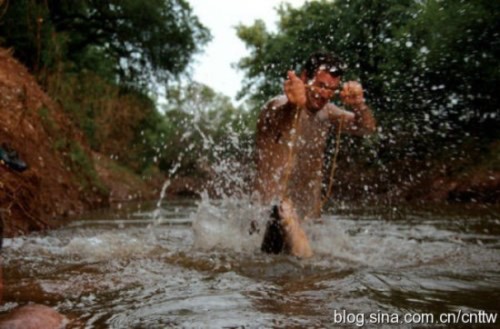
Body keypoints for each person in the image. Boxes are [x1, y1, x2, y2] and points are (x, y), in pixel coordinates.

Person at [254, 51, 376, 258]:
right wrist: (293, 104)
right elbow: (279, 115)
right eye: (320, 85)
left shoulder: (328, 113)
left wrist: (359, 104)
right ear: (304, 78)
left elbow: (366, 128)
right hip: (270, 216)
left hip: (308, 220)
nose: (324, 94)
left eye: (331, 89)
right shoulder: (277, 105)